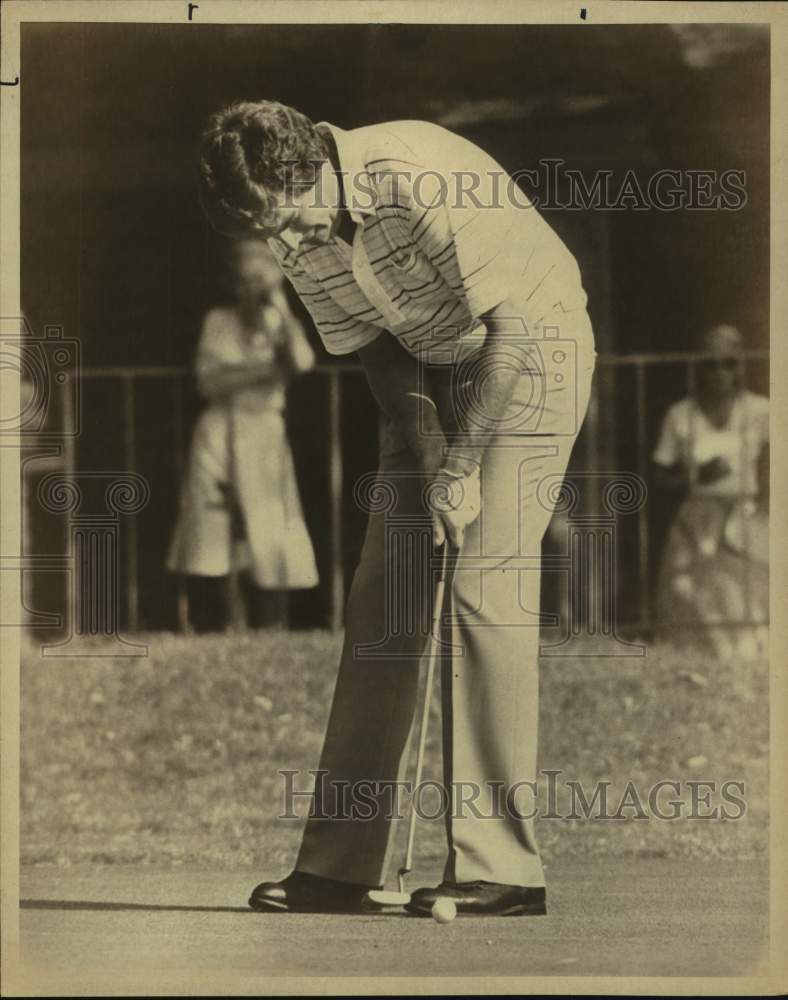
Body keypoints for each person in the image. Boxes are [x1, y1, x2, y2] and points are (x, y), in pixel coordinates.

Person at [198, 100, 596, 916]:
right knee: (384, 598)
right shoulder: (291, 225)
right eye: (275, 234)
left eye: (298, 225)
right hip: (423, 361)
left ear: (315, 168)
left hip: (533, 348)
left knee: (483, 587)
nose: (293, 247)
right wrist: (428, 455)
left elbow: (512, 334)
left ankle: (502, 867)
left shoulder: (418, 175)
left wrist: (464, 466)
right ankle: (345, 865)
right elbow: (375, 349)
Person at [167, 239, 318, 631]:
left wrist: (281, 309)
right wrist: (267, 372)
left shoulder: (281, 324)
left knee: (270, 525)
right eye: (244, 281)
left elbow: (301, 362)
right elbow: (208, 382)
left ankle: (269, 623)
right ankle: (214, 623)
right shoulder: (219, 320)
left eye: (260, 279)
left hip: (265, 430)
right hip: (221, 429)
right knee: (211, 525)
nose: (251, 289)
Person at [652, 324, 769, 659]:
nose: (719, 373)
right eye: (710, 364)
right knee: (688, 585)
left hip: (745, 515)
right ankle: (703, 652)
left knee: (747, 585)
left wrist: (767, 501)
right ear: (698, 367)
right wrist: (696, 477)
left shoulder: (760, 410)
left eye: (728, 364)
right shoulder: (680, 415)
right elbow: (658, 477)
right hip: (698, 516)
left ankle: (750, 651)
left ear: (741, 367)